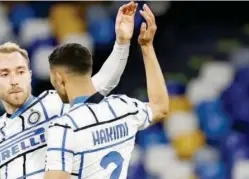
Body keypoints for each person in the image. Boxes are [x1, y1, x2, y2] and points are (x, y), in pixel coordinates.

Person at [0, 1, 137, 179]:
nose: (14, 81)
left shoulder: (55, 103)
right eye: (5, 74)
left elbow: (104, 81)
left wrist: (121, 43)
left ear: (29, 75)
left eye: (20, 72)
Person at [44, 4, 169, 179]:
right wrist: (147, 47)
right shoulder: (123, 107)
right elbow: (161, 106)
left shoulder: (64, 128)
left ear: (58, 78)